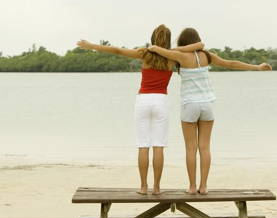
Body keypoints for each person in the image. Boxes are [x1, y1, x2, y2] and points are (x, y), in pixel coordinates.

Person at [76, 25, 203, 195]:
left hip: (143, 101)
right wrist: (175, 48)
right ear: (168, 40)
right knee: (158, 146)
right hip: (160, 101)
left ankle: (143, 187)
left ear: (152, 38)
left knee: (143, 145)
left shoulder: (144, 53)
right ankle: (157, 188)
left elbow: (117, 51)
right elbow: (200, 45)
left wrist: (91, 45)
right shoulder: (173, 56)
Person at [148, 27, 272, 195]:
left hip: (189, 105)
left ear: (183, 42)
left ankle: (192, 187)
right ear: (196, 40)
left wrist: (154, 47)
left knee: (191, 148)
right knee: (205, 148)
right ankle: (204, 186)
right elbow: (231, 64)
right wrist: (257, 67)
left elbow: (164, 51)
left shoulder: (180, 55)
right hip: (207, 104)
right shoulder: (207, 56)